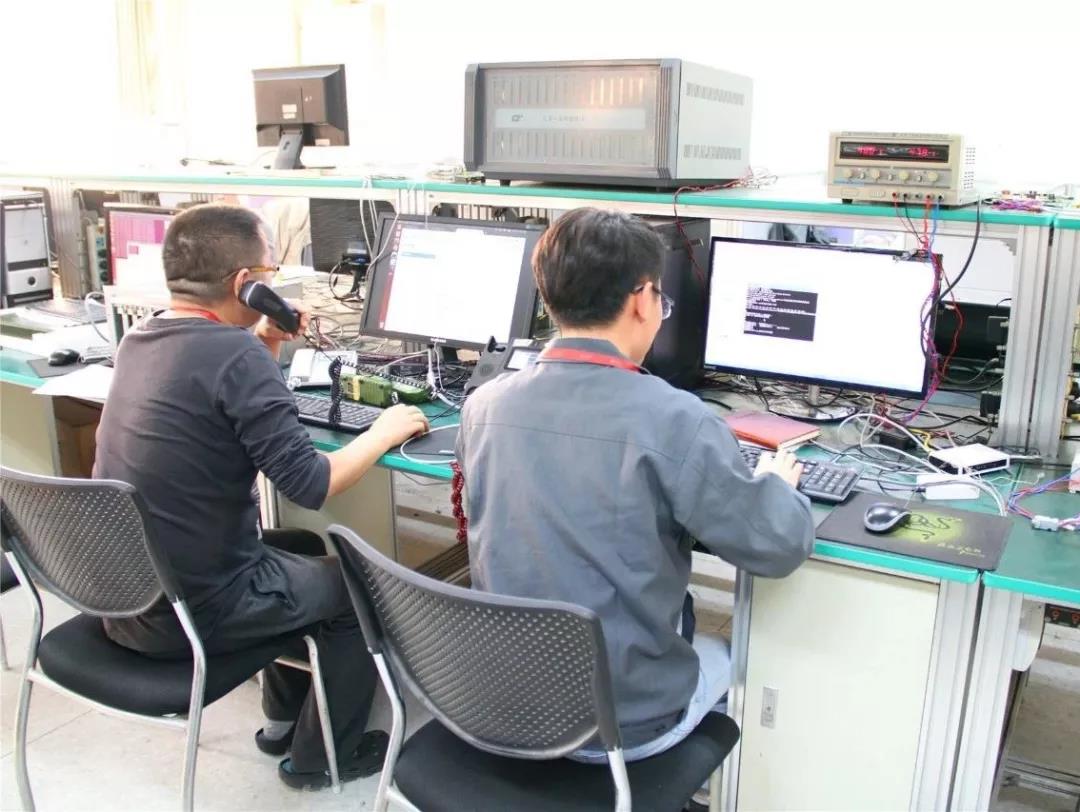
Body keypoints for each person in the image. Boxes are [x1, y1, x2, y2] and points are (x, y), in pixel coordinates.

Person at [456, 207, 815, 763]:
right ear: (643, 300)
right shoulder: (678, 419)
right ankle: (678, 789)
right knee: (738, 657)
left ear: (547, 297)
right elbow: (778, 545)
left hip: (504, 705)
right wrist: (777, 486)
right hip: (622, 726)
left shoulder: (484, 406)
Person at [94, 203, 429, 789]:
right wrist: (383, 431)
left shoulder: (142, 337)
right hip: (191, 612)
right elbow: (312, 483)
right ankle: (322, 759)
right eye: (271, 271)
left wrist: (264, 340)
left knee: (300, 544)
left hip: (128, 597)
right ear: (246, 284)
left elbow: (229, 399)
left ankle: (282, 721)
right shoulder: (235, 355)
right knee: (361, 588)